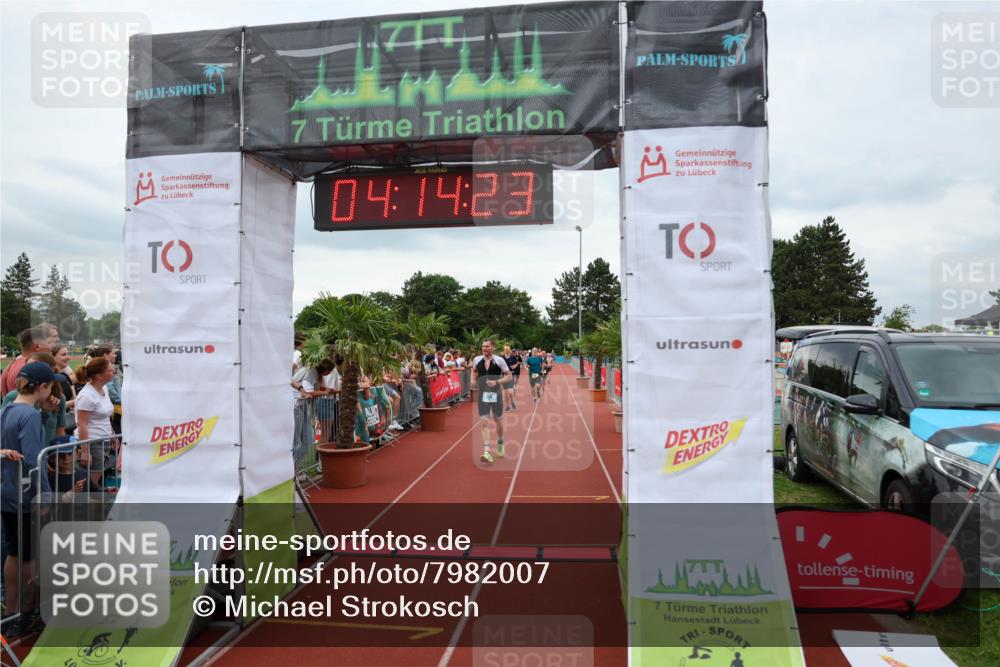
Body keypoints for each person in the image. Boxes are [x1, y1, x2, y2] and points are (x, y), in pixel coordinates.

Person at [1, 362, 57, 637]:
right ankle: (26, 612)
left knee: (15, 551)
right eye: (51, 387)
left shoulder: (7, 409)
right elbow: (35, 459)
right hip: (26, 493)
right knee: (30, 555)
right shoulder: (29, 416)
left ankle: (11, 611)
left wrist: (44, 415)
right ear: (43, 386)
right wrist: (44, 494)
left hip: (7, 490)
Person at [3, 352, 66, 446]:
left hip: (48, 453)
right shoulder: (13, 397)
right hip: (26, 453)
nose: (30, 370)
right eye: (27, 366)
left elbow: (59, 433)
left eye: (36, 366)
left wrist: (45, 412)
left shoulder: (58, 399)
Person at [74, 357, 117, 487]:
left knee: (96, 479)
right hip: (92, 442)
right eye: (110, 370)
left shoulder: (105, 389)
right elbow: (82, 424)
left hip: (104, 440)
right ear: (99, 376)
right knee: (91, 483)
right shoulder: (87, 396)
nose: (114, 371)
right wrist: (85, 451)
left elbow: (105, 416)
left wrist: (112, 434)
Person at [471, 339, 512, 465]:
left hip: (496, 394)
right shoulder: (477, 359)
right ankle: (487, 451)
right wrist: (473, 379)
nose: (484, 348)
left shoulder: (499, 360)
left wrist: (497, 382)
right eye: (483, 346)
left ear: (493, 347)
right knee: (484, 422)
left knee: (498, 419)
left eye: (487, 346)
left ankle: (500, 441)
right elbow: (473, 370)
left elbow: (509, 376)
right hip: (482, 395)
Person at [291, 358, 335, 467]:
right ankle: (291, 468)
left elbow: (314, 388)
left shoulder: (313, 373)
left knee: (309, 440)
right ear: (326, 371)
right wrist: (325, 392)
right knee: (295, 441)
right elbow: (308, 391)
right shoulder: (311, 371)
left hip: (303, 407)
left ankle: (293, 466)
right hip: (296, 407)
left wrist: (325, 389)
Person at [0, 325, 56, 396]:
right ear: (37, 346)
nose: (53, 347)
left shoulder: (11, 366)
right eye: (49, 343)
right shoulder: (31, 369)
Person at [502, 345, 521, 411]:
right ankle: (507, 406)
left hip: (511, 375)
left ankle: (512, 401)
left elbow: (516, 364)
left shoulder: (513, 357)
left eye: (508, 349)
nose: (507, 351)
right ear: (504, 350)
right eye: (506, 350)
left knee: (510, 391)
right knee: (505, 392)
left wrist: (514, 366)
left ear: (509, 350)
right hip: (504, 376)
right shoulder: (501, 358)